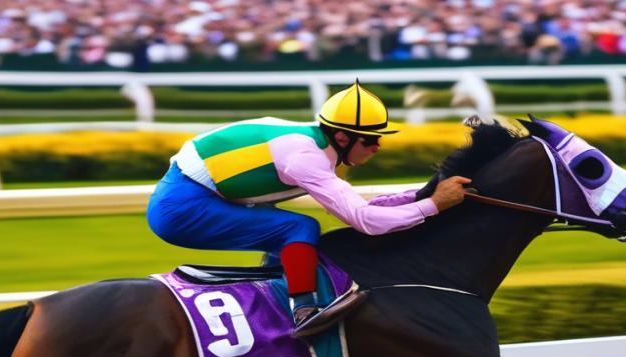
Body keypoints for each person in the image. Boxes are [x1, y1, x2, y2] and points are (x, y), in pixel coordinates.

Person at [147, 80, 471, 336]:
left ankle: (279, 294)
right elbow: (366, 221)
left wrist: (421, 196)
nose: (377, 147)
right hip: (181, 208)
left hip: (193, 194)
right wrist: (433, 205)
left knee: (292, 234)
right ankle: (304, 310)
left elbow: (359, 209)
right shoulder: (306, 157)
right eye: (370, 139)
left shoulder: (315, 145)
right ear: (342, 137)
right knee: (299, 228)